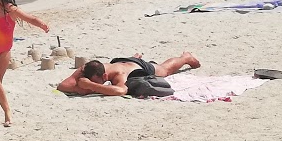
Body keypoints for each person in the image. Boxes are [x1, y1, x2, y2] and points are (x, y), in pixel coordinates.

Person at [58, 52, 202, 96]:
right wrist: (79, 87)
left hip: (136, 67)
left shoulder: (119, 75)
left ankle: (185, 58)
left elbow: (121, 90)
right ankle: (136, 55)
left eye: (99, 82)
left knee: (164, 70)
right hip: (119, 60)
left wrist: (91, 86)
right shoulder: (87, 68)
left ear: (105, 77)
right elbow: (63, 85)